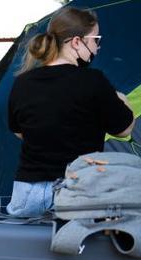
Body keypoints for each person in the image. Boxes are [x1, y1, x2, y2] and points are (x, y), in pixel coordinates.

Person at [7, 6, 134, 217]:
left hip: (27, 193)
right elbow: (124, 129)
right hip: (79, 191)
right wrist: (122, 99)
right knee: (79, 245)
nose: (97, 47)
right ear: (76, 42)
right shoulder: (94, 81)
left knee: (28, 247)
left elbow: (20, 132)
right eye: (95, 40)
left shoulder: (22, 82)